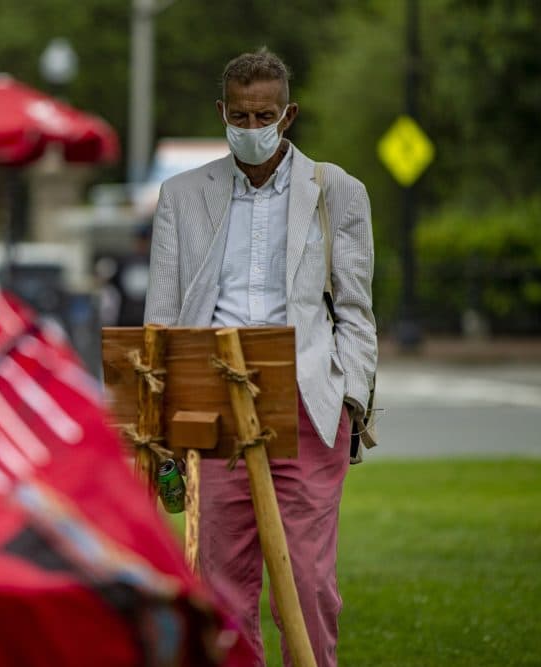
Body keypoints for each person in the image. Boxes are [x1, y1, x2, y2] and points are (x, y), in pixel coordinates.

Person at [143, 49, 377, 666]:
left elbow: (356, 309)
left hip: (306, 405)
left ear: (289, 114)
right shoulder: (181, 194)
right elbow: (162, 314)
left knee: (308, 584)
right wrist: (162, 414)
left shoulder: (337, 191)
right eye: (240, 116)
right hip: (214, 403)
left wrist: (351, 398)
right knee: (220, 583)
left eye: (264, 115)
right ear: (222, 112)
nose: (252, 128)